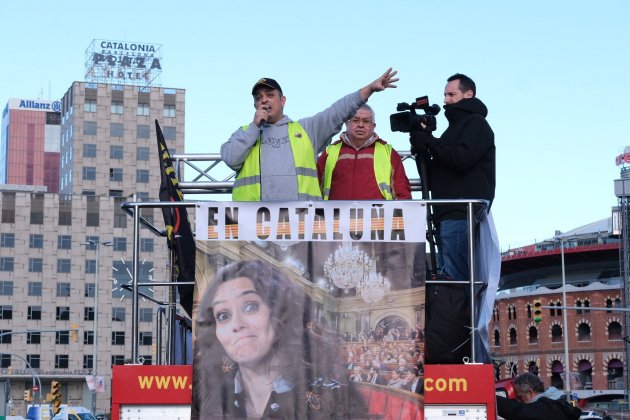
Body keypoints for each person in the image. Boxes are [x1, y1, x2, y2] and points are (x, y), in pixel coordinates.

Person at [193, 259, 367, 418]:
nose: (236, 324)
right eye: (223, 316)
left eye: (250, 306)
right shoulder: (205, 395)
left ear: (281, 313)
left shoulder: (333, 395)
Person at [409, 73, 495, 364]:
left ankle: (450, 350)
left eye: (451, 96)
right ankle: (447, 345)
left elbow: (461, 159)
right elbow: (441, 169)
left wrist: (431, 143)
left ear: (468, 95)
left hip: (460, 213)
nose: (445, 101)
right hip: (448, 215)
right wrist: (424, 146)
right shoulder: (455, 128)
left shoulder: (476, 125)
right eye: (445, 96)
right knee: (448, 281)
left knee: (455, 283)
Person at [222, 69, 399, 201]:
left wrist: (368, 90)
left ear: (282, 100)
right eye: (258, 97)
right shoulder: (246, 132)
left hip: (300, 226)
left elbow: (336, 112)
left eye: (270, 95)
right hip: (254, 227)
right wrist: (255, 127)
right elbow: (231, 158)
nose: (264, 100)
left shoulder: (306, 130)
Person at [317, 104, 411, 200]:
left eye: (366, 121)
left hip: (378, 215)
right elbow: (314, 189)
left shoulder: (388, 152)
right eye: (355, 120)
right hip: (336, 215)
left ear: (373, 126)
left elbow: (402, 193)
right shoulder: (330, 151)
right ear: (346, 123)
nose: (361, 125)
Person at [496, 372, 581, 420]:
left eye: (520, 397)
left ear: (530, 392)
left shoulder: (543, 408)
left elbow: (516, 410)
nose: (519, 401)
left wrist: (491, 397)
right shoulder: (562, 406)